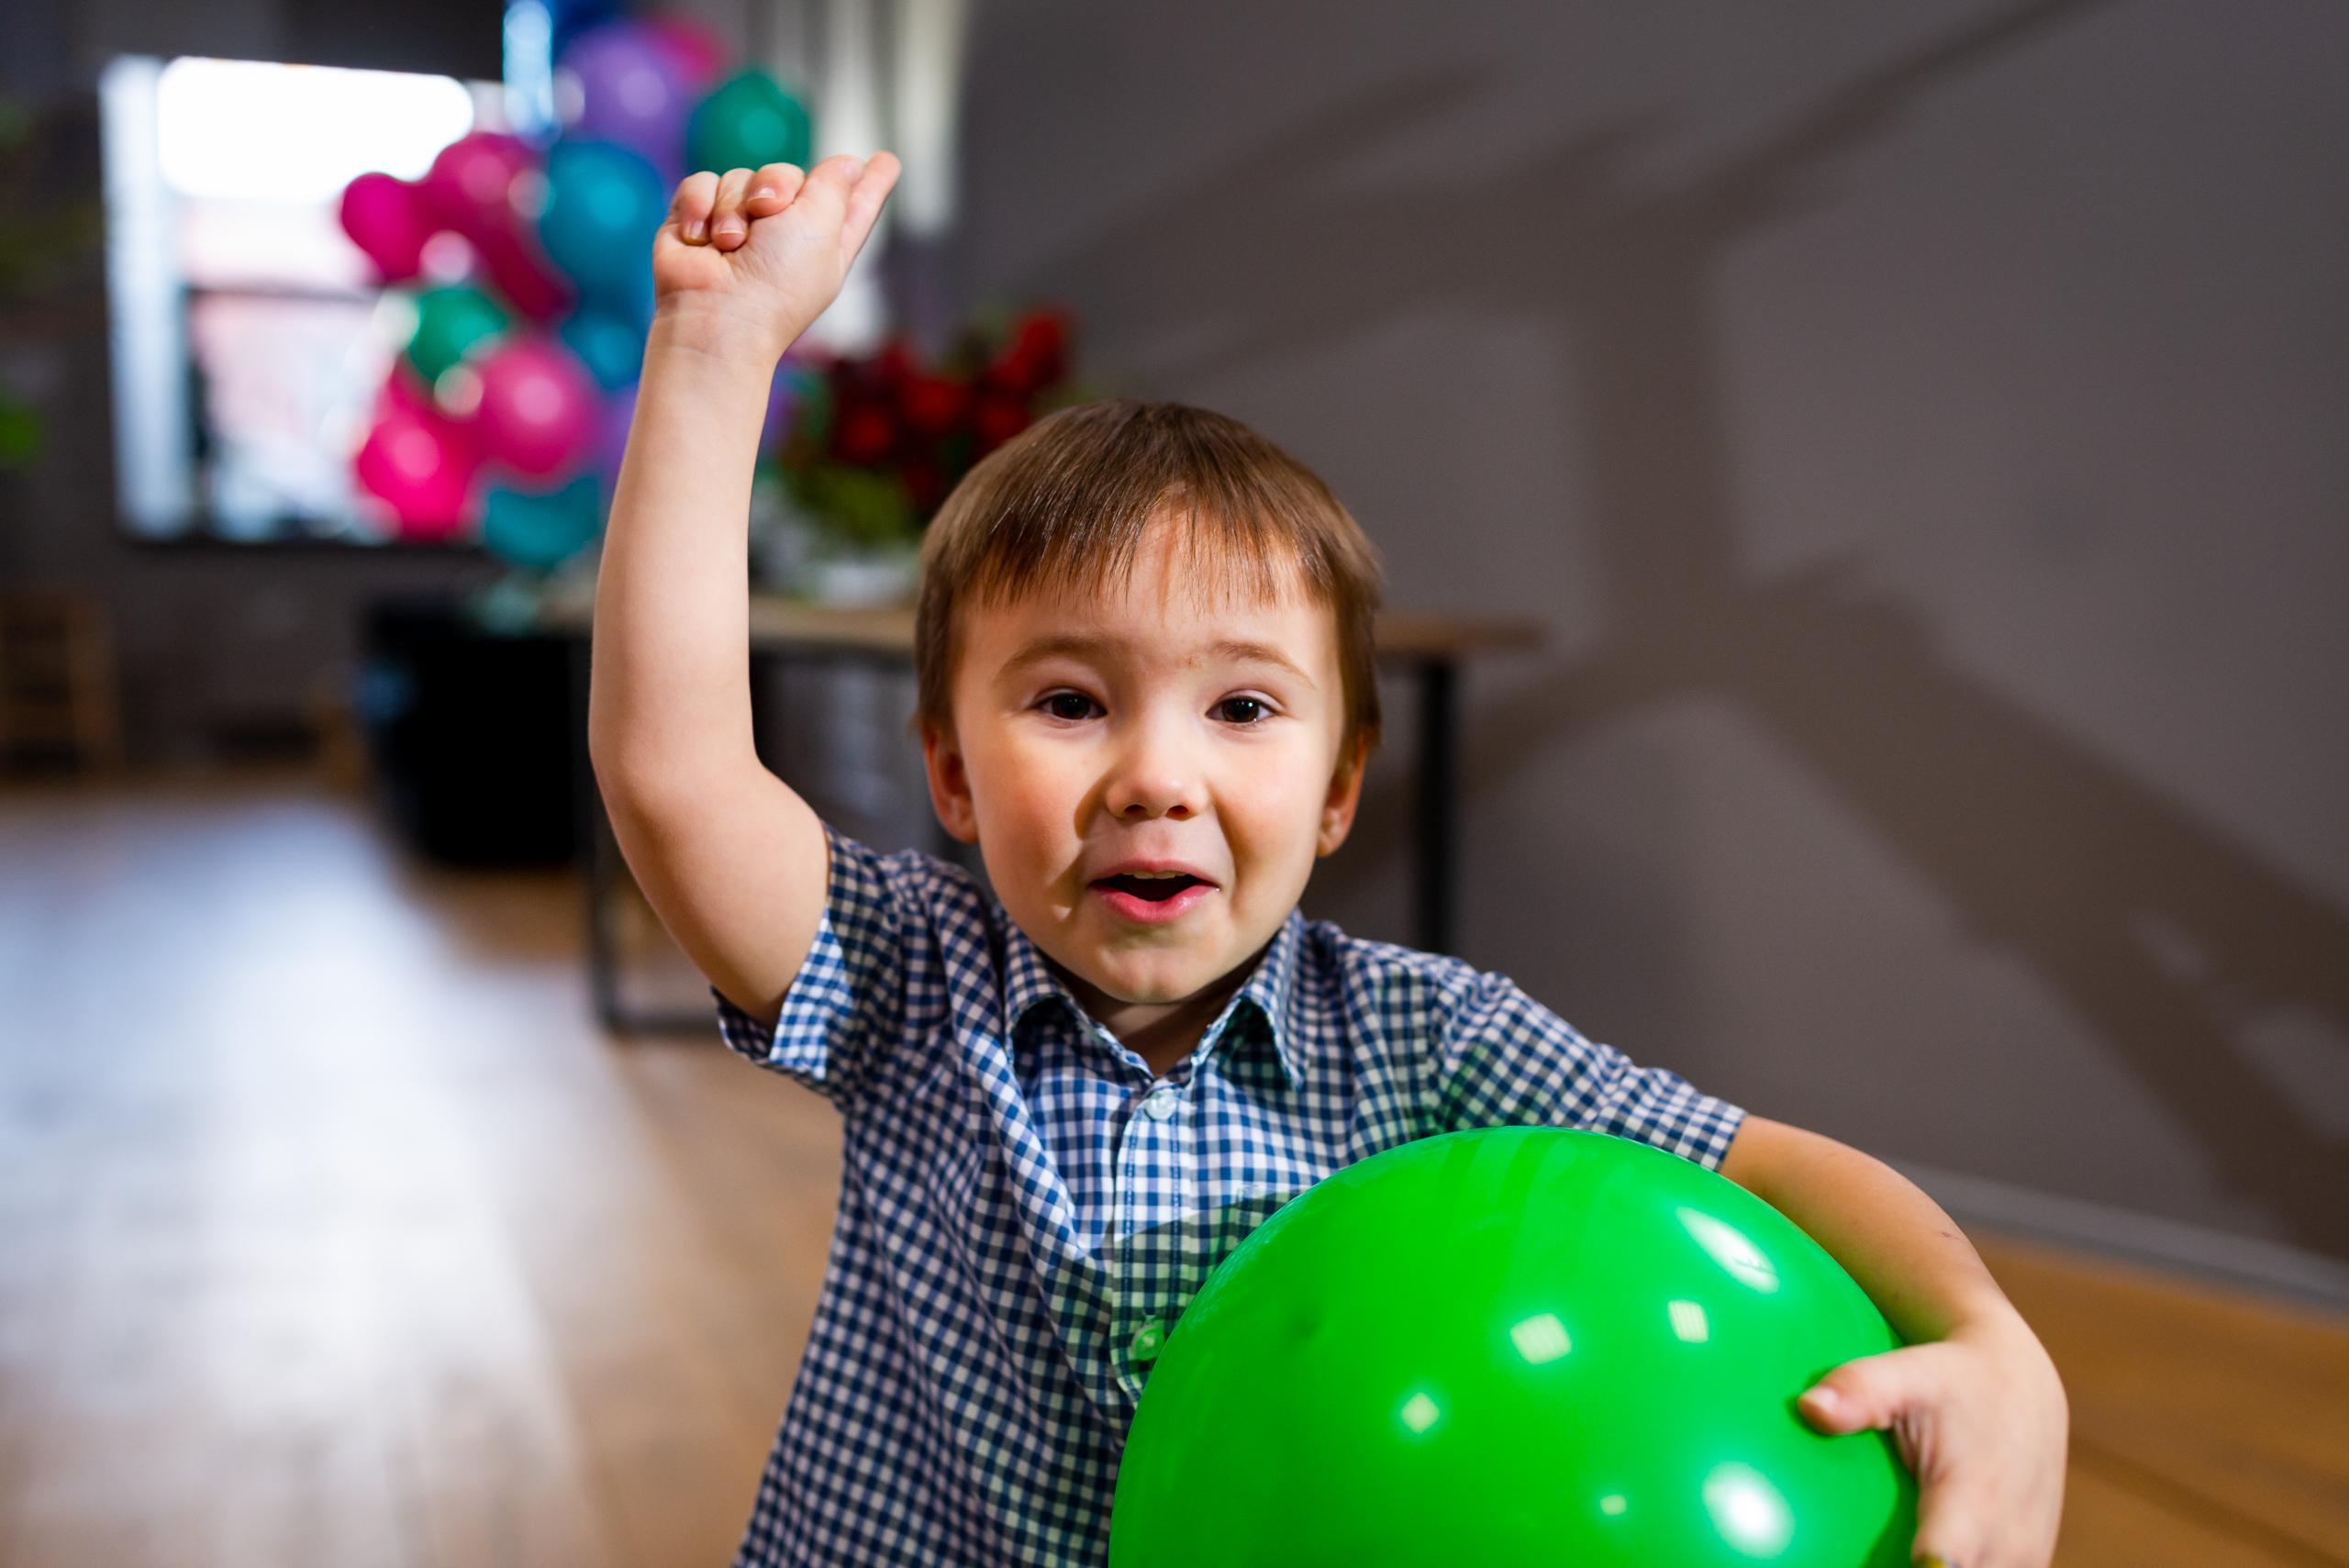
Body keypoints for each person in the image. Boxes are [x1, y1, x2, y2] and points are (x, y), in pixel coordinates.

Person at [590, 151, 2068, 1568]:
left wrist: (1994, 1341)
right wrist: (717, 350)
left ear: (1342, 785)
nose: (1157, 776)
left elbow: (1766, 1168)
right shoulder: (913, 978)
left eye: (1241, 707)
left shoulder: (1431, 1041)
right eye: (1068, 702)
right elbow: (674, 773)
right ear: (953, 772)